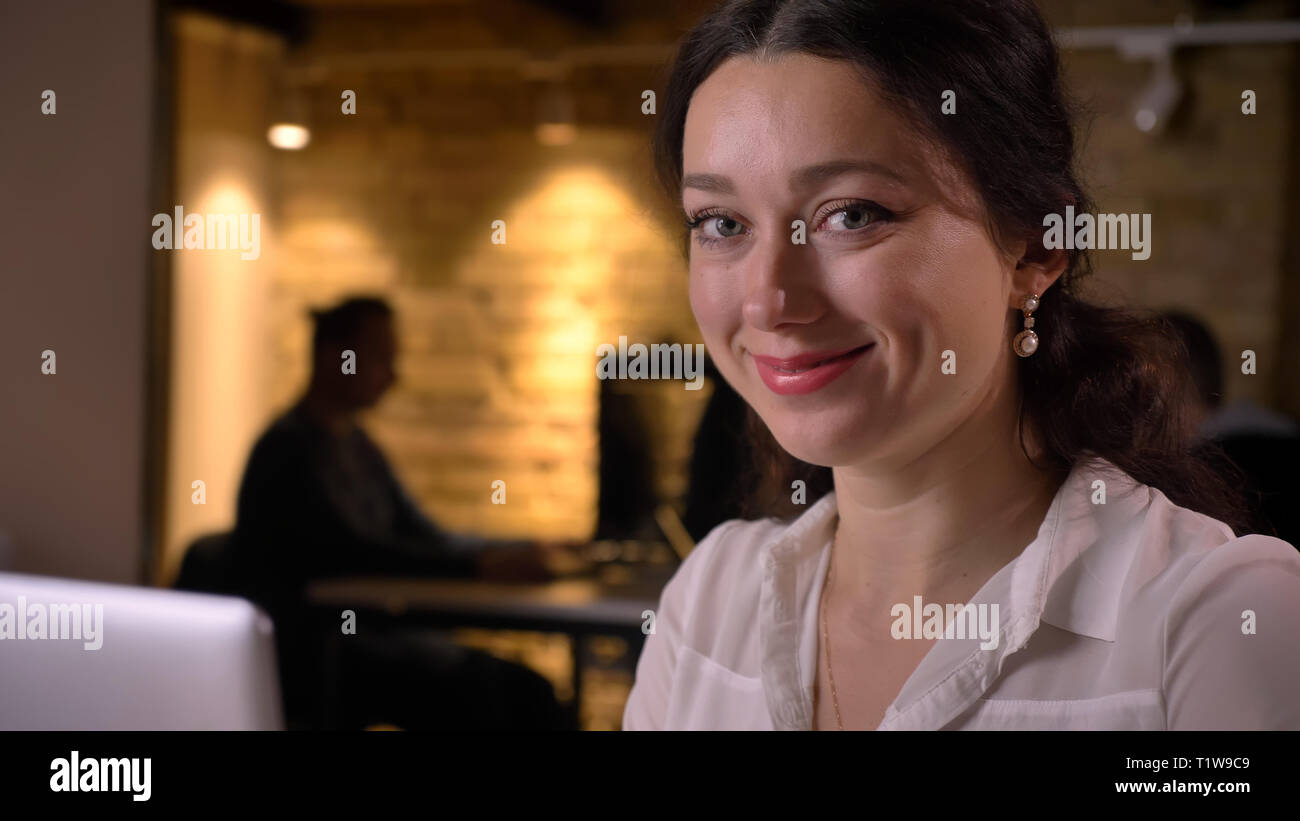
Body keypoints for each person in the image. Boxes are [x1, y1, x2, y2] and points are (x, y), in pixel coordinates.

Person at [623, 0, 1300, 730]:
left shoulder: (1213, 620)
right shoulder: (708, 602)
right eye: (721, 224)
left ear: (1036, 249)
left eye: (851, 214)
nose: (769, 301)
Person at [228, 296, 573, 730]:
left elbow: (424, 533)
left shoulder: (358, 447)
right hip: (324, 653)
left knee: (525, 693)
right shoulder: (286, 452)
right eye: (380, 358)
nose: (392, 375)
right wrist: (479, 566)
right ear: (334, 356)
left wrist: (520, 547)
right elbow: (357, 555)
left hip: (372, 639)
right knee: (509, 696)